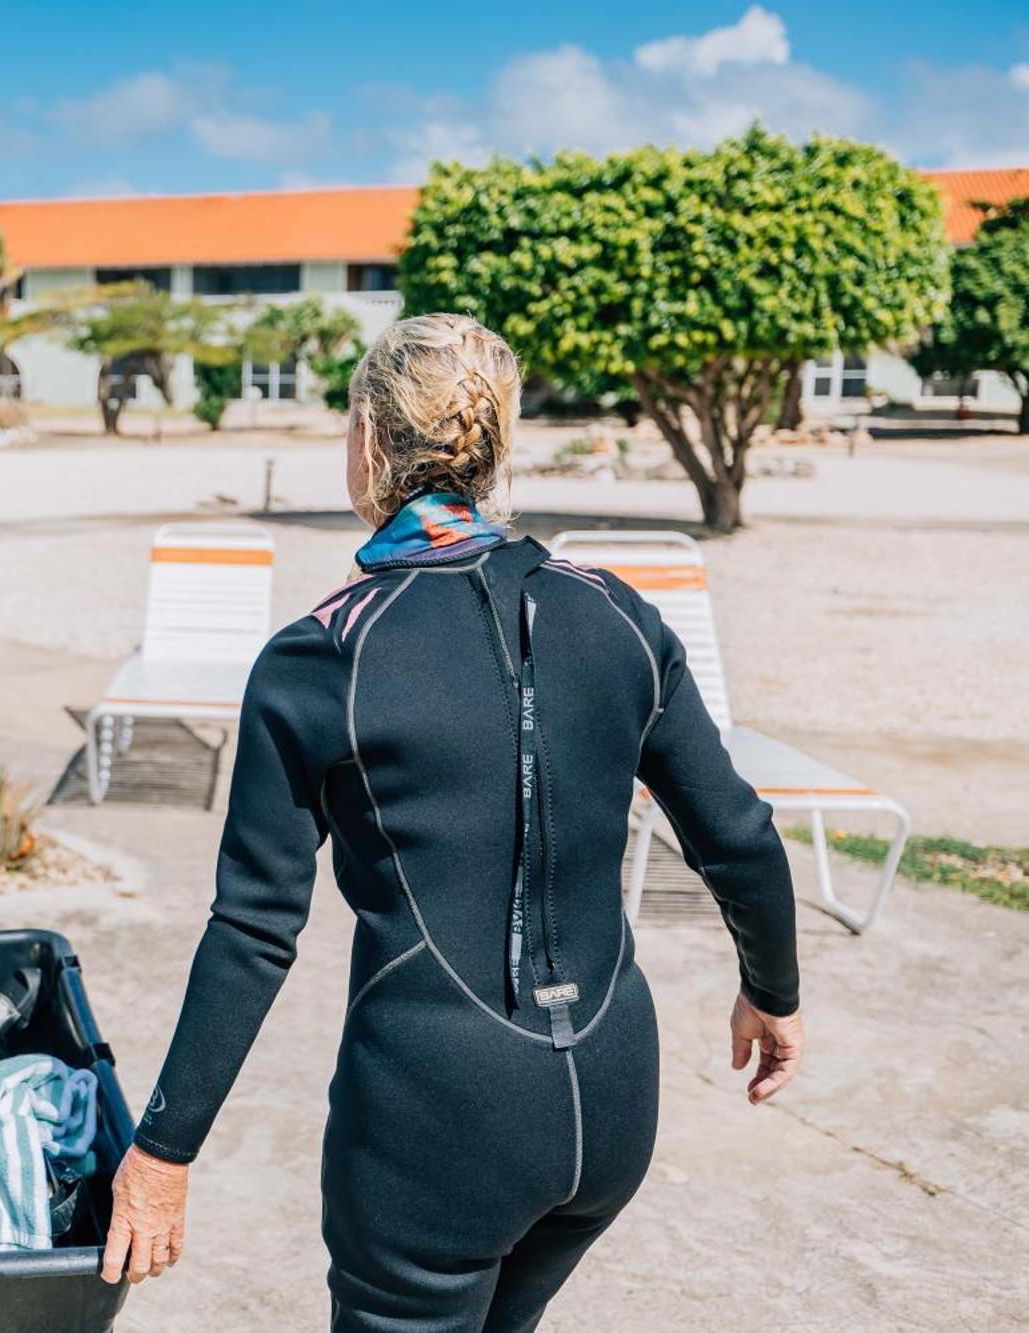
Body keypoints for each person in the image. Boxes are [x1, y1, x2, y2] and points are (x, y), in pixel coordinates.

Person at [100, 313, 805, 1330]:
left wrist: (161, 1151)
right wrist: (770, 990)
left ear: (367, 443)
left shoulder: (317, 660)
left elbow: (255, 928)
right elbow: (735, 832)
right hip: (608, 1105)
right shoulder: (614, 611)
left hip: (436, 1125)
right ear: (493, 446)